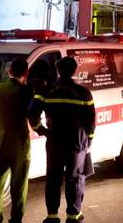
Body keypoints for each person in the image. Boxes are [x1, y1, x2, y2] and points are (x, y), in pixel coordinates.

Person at [29, 56, 95, 223]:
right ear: (74, 71)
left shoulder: (46, 91)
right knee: (75, 177)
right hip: (76, 142)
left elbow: (32, 113)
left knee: (53, 178)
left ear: (58, 70)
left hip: (54, 141)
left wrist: (41, 130)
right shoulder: (83, 92)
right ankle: (73, 215)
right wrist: (89, 140)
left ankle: (52, 215)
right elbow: (91, 121)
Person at [0, 57, 33, 223]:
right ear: (26, 73)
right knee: (19, 184)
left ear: (9, 71)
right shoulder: (27, 91)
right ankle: (16, 217)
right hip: (19, 144)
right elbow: (31, 115)